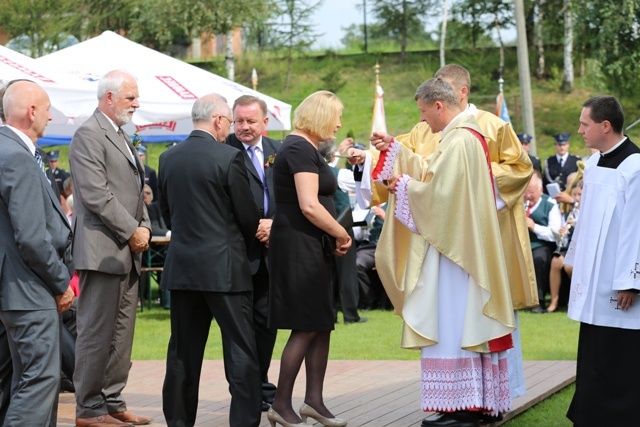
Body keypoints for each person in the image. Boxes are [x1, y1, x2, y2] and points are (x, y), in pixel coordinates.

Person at [348, 64, 535, 402]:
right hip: (447, 234)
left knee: (458, 319)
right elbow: (427, 167)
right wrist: (387, 153)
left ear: (448, 99)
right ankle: (467, 400)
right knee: (460, 319)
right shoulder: (447, 132)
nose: (422, 120)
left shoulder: (477, 130)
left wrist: (411, 186)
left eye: (424, 111)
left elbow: (448, 188)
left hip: (459, 240)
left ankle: (467, 401)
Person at [159, 93, 262, 427]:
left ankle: (178, 421)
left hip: (183, 267)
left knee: (182, 354)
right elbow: (247, 216)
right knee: (240, 351)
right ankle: (244, 422)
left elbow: (167, 214)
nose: (230, 129)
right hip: (226, 269)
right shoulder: (228, 157)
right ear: (219, 120)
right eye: (230, 122)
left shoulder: (168, 159)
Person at [69, 69, 153, 427]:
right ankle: (89, 409)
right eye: (130, 97)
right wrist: (133, 230)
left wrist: (145, 225)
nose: (136, 103)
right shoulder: (89, 134)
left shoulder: (120, 134)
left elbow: (135, 190)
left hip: (125, 251)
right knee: (95, 333)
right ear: (108, 98)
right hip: (102, 252)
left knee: (121, 333)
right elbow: (96, 193)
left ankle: (112, 401)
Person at [267, 90, 352, 427]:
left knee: (320, 323)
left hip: (310, 245)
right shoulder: (299, 148)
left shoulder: (304, 148)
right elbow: (309, 204)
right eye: (336, 115)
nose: (340, 123)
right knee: (305, 325)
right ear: (320, 115)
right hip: (300, 247)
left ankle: (313, 401)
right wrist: (341, 233)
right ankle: (280, 404)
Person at [0, 80, 75, 425]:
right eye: (46, 110)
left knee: (24, 380)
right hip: (29, 288)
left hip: (17, 288)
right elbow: (31, 238)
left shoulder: (11, 150)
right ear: (31, 112)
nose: (49, 117)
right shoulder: (16, 155)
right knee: (39, 382)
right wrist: (61, 283)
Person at [565, 96, 640, 426]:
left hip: (618, 281)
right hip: (592, 279)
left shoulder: (635, 167)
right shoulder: (594, 164)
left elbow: (635, 229)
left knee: (620, 352)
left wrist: (630, 281)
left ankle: (622, 415)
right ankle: (590, 413)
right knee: (593, 348)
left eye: (585, 124)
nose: (580, 130)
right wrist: (574, 258)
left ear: (605, 126)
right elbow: (586, 219)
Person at [226, 94, 281, 411]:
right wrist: (253, 228)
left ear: (265, 122)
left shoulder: (278, 151)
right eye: (239, 121)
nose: (244, 127)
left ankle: (260, 382)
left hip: (271, 254)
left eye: (250, 121)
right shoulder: (225, 151)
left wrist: (274, 224)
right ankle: (244, 391)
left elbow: (288, 195)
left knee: (266, 324)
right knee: (237, 329)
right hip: (238, 253)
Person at [318, 141, 367, 324]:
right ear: (333, 156)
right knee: (347, 273)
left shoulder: (315, 172)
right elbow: (361, 185)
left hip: (323, 226)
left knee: (329, 273)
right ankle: (350, 314)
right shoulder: (340, 174)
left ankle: (330, 313)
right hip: (342, 227)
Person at [523, 172, 562, 313]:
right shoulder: (518, 203)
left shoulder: (550, 205)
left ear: (540, 190)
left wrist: (534, 227)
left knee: (538, 259)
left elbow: (555, 234)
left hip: (541, 244)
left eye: (531, 192)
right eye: (525, 192)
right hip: (521, 244)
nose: (528, 196)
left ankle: (538, 301)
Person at [547, 179, 582, 313]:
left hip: (583, 249)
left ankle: (575, 300)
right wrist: (563, 233)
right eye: (574, 195)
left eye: (579, 195)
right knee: (556, 261)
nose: (576, 198)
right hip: (570, 247)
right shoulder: (569, 213)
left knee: (569, 266)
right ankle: (554, 301)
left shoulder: (589, 212)